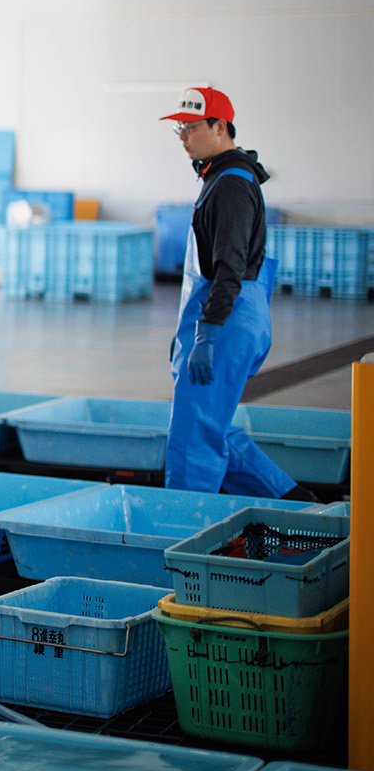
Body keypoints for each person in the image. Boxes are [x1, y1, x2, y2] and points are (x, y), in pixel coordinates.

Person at [161, 87, 307, 500]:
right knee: (215, 425)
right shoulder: (219, 177)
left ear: (219, 126)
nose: (183, 137)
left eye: (190, 127)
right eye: (179, 130)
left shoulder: (230, 185)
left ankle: (184, 532)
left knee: (194, 437)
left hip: (224, 320)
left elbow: (231, 266)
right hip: (224, 315)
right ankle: (295, 505)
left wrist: (206, 333)